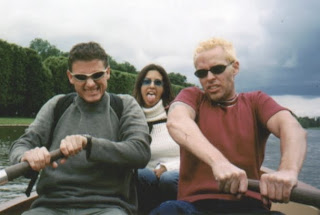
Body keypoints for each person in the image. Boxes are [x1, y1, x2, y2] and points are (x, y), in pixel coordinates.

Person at [150, 37, 307, 215]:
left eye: (217, 69)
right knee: (167, 211)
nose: (209, 78)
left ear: (235, 68)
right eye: (201, 73)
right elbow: (177, 122)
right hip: (195, 207)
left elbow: (293, 128)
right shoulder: (191, 97)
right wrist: (219, 163)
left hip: (249, 207)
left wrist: (287, 171)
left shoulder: (256, 101)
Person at [9, 42, 151, 215]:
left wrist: (89, 143)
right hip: (51, 206)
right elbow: (22, 144)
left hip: (108, 206)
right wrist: (26, 156)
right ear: (70, 77)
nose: (90, 84)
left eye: (97, 75)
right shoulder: (57, 105)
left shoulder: (125, 104)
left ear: (108, 73)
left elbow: (140, 152)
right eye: (81, 77)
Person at [132, 64, 180, 214]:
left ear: (164, 88)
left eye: (157, 82)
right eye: (147, 82)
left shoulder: (177, 115)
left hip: (175, 175)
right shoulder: (132, 118)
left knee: (167, 179)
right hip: (147, 181)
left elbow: (193, 153)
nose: (152, 86)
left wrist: (168, 167)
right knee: (140, 175)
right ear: (140, 87)